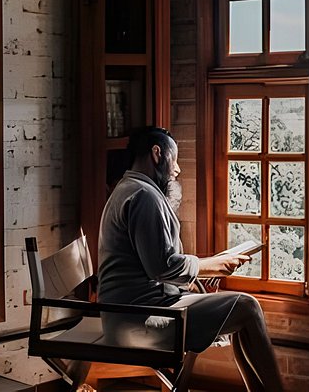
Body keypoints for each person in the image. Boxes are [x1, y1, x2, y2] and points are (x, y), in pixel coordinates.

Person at [97, 126, 284, 392]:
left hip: (130, 314)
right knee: (247, 307)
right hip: (137, 320)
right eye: (174, 159)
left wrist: (203, 272)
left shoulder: (129, 189)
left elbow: (155, 264)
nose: (177, 169)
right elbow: (161, 267)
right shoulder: (143, 196)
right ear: (157, 153)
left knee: (239, 312)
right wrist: (214, 265)